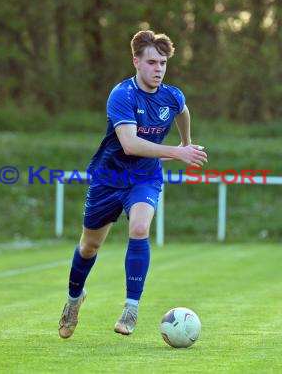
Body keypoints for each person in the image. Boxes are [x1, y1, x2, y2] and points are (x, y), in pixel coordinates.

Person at [58, 30, 208, 339]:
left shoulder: (172, 95)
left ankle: (131, 307)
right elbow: (129, 144)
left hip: (144, 177)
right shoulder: (122, 95)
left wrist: (187, 142)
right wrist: (176, 152)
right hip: (109, 177)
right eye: (152, 62)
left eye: (163, 63)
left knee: (140, 229)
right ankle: (74, 299)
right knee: (89, 246)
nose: (158, 69)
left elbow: (183, 111)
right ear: (136, 62)